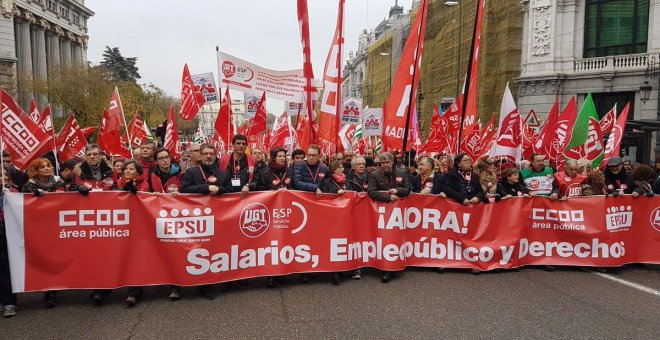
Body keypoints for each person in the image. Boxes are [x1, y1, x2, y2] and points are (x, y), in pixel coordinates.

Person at [181, 144, 230, 299]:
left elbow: (229, 190)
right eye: (205, 154)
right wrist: (206, 188)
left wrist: (220, 190)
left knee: (218, 250)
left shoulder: (222, 173)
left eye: (211, 154)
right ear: (200, 156)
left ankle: (222, 279)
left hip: (219, 219)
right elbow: (185, 189)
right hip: (198, 220)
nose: (209, 156)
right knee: (201, 251)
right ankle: (205, 285)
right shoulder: (191, 172)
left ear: (216, 155)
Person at [367, 152, 411, 283]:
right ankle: (385, 269)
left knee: (395, 239)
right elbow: (371, 192)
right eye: (383, 163)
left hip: (397, 215)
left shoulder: (402, 173)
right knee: (384, 240)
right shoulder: (374, 175)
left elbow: (408, 189)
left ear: (393, 162)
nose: (385, 165)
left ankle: (395, 265)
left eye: (387, 162)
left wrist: (397, 191)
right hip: (380, 215)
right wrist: (388, 197)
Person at [116, 160, 150, 307]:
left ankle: (135, 289)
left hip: (140, 225)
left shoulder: (144, 184)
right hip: (123, 225)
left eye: (131, 169)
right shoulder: (116, 183)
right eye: (126, 169)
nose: (128, 171)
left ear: (138, 172)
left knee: (137, 256)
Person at [293, 144, 328, 283]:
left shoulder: (324, 168)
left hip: (319, 208)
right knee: (304, 239)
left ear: (319, 156)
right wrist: (315, 188)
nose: (311, 157)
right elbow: (297, 183)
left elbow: (327, 183)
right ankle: (304, 271)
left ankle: (316, 266)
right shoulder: (299, 166)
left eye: (314, 155)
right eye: (309, 155)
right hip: (304, 207)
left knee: (317, 238)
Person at [319, 159, 348, 285]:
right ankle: (334, 271)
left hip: (346, 217)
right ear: (333, 169)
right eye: (339, 167)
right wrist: (336, 193)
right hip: (332, 218)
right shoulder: (327, 182)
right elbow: (324, 196)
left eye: (342, 167)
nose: (342, 169)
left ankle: (343, 267)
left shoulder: (348, 182)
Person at [1, 167, 17, 317]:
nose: (1, 177)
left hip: (7, 231)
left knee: (6, 267)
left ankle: (8, 302)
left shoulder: (14, 192)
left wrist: (10, 197)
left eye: (3, 174)